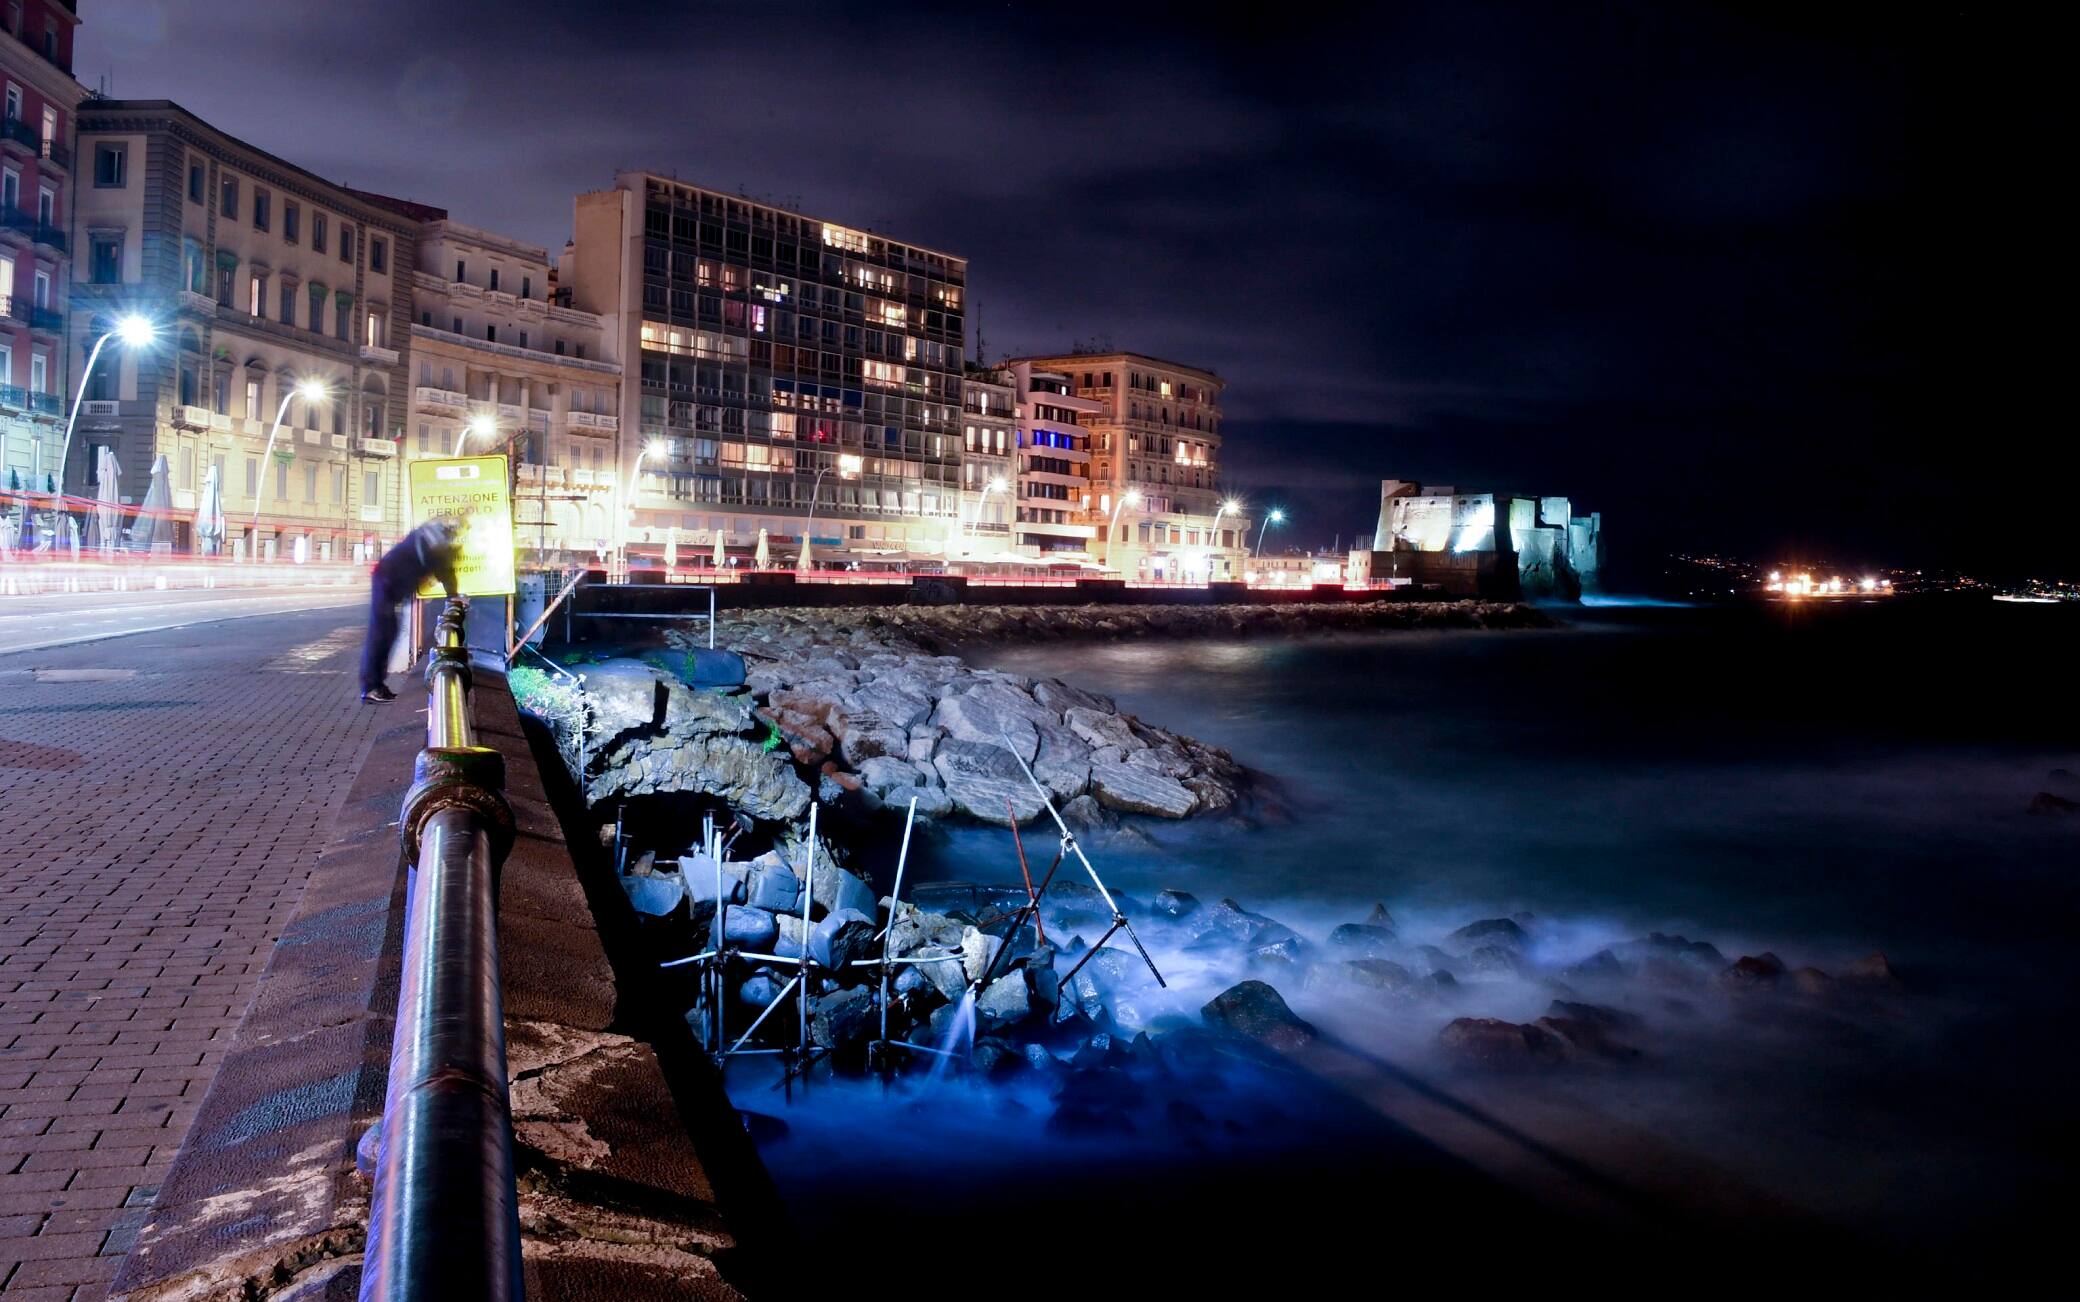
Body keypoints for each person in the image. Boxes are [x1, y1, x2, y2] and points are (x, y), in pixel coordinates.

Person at [361, 517, 465, 703]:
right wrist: (453, 595)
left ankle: (375, 685)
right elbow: (446, 572)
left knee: (386, 633)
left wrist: (452, 593)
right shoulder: (437, 542)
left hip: (388, 579)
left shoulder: (429, 535)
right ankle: (371, 688)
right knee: (381, 635)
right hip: (387, 581)